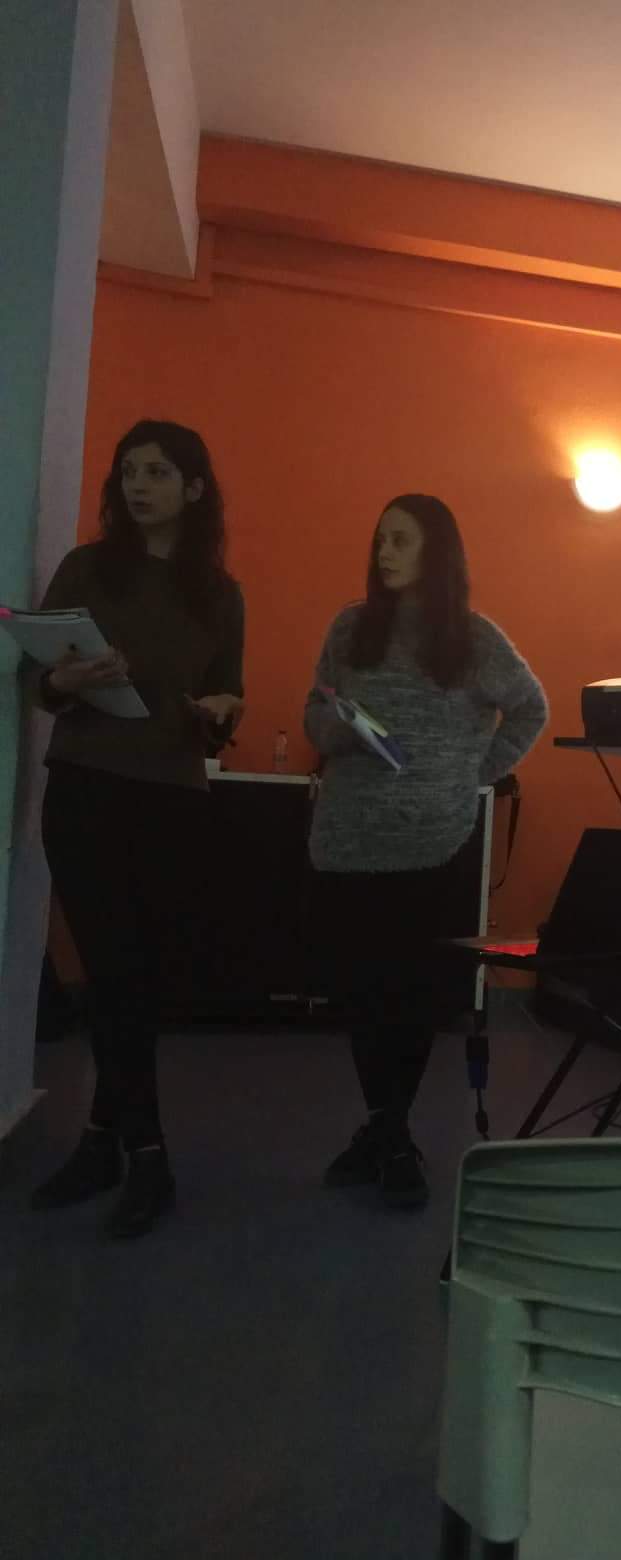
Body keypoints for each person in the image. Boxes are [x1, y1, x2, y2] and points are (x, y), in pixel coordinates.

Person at [27, 420, 245, 1238]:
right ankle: (148, 1154)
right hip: (85, 789)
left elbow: (227, 695)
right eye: (128, 472)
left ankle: (99, 1144)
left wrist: (221, 711)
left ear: (194, 488)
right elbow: (39, 681)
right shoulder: (87, 568)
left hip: (172, 797)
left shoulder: (219, 593)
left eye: (156, 471)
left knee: (137, 980)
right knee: (114, 971)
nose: (138, 485)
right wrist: (66, 678)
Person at [305, 493, 547, 1208]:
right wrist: (337, 730)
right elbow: (316, 709)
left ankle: (388, 1132)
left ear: (437, 552)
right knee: (361, 994)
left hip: (431, 843)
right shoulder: (351, 628)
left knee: (410, 998)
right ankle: (388, 1132)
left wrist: (475, 773)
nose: (384, 552)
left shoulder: (475, 639)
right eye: (381, 538)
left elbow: (530, 708)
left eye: (401, 540)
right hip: (349, 836)